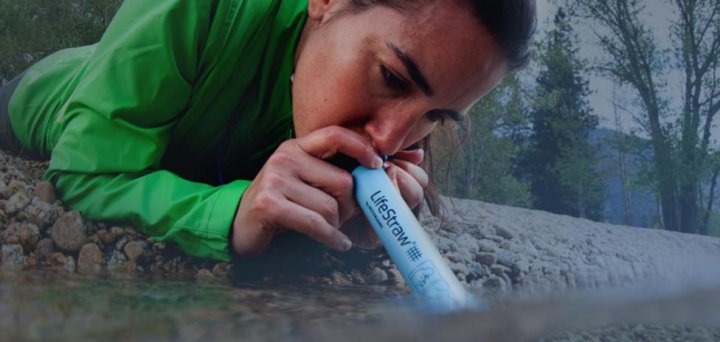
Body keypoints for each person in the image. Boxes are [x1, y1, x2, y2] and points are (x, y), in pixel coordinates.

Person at [0, 0, 536, 262]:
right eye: (392, 78)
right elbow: (83, 174)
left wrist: (357, 228)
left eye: (434, 117)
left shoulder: (385, 139)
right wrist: (231, 215)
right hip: (43, 91)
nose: (389, 140)